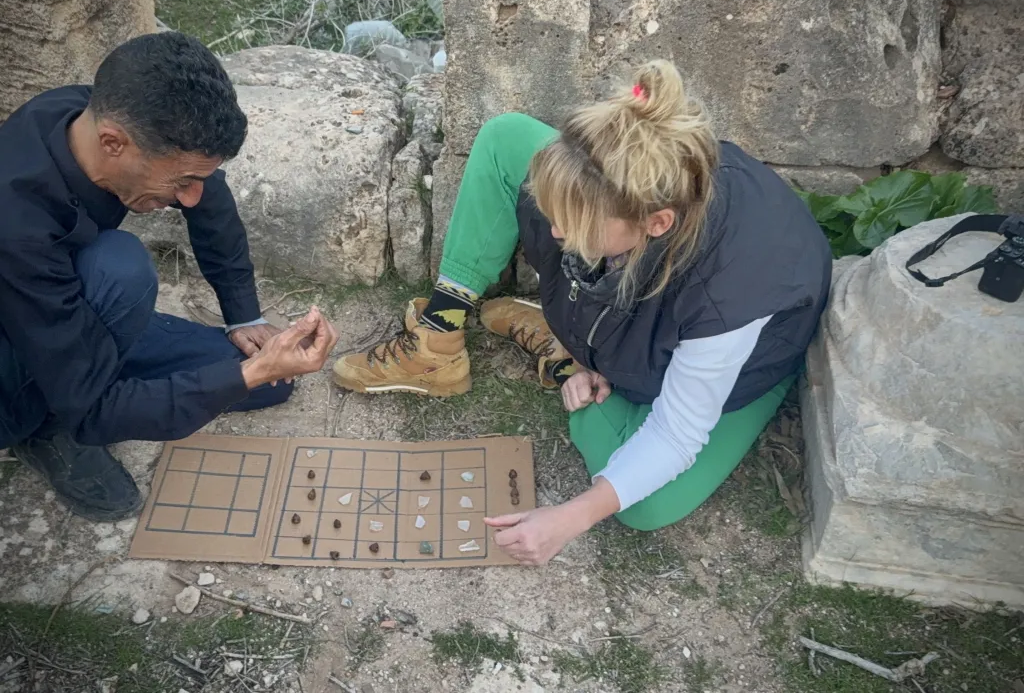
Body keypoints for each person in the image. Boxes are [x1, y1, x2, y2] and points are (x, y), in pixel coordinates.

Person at [333, 60, 832, 565]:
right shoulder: (632, 170)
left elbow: (679, 434)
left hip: (744, 365)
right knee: (507, 136)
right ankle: (446, 332)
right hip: (634, 315)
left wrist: (569, 516)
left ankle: (585, 369)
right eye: (554, 213)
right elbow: (513, 144)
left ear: (655, 223)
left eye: (574, 222)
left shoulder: (729, 299)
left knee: (646, 504)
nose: (553, 234)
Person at [0, 32, 338, 522]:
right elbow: (92, 407)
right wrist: (253, 369)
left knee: (269, 383)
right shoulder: (17, 224)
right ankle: (43, 426)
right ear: (113, 143)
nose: (193, 196)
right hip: (16, 358)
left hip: (60, 314)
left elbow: (211, 200)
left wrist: (242, 317)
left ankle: (98, 356)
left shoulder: (89, 114)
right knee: (121, 266)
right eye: (182, 181)